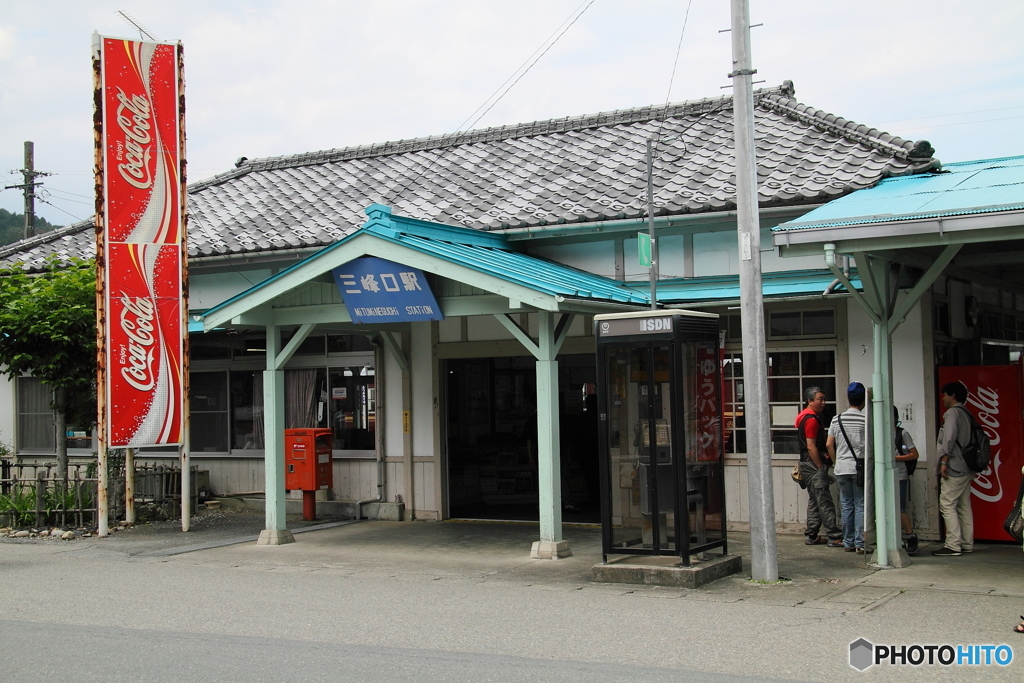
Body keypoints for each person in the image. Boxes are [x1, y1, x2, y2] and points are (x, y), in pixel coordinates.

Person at [795, 386, 843, 547]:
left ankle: (812, 533)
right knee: (824, 500)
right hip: (812, 464)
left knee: (815, 500)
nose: (823, 402)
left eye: (823, 398)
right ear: (809, 401)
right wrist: (820, 466)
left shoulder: (803, 417)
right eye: (819, 399)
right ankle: (834, 535)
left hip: (805, 463)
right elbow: (811, 446)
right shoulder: (811, 420)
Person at [932, 381, 976, 557]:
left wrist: (944, 462)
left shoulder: (952, 414)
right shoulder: (967, 413)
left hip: (955, 466)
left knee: (947, 504)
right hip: (967, 466)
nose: (943, 398)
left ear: (953, 396)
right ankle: (967, 543)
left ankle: (952, 545)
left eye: (945, 394)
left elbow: (948, 440)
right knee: (964, 505)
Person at [827, 382, 868, 553]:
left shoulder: (837, 419)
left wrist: (837, 462)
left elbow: (829, 444)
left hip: (842, 468)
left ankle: (848, 541)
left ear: (848, 398)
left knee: (846, 504)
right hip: (858, 467)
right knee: (860, 504)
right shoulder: (865, 420)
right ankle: (859, 543)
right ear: (864, 399)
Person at [893, 406, 920, 555]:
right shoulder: (877, 433)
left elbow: (914, 454)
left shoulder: (902, 433)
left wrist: (895, 458)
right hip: (882, 477)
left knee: (899, 509)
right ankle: (896, 538)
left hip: (900, 475)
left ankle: (910, 535)